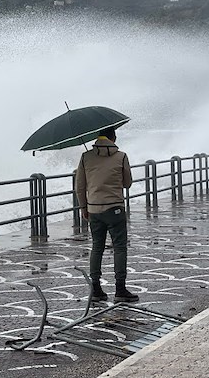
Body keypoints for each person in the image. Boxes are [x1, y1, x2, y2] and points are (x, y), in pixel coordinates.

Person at [75, 126, 139, 303]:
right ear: (114, 138)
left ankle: (96, 289)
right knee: (119, 248)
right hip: (115, 209)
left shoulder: (86, 157)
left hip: (94, 209)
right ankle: (120, 289)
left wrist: (83, 208)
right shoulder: (121, 156)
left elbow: (79, 186)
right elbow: (127, 183)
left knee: (97, 247)